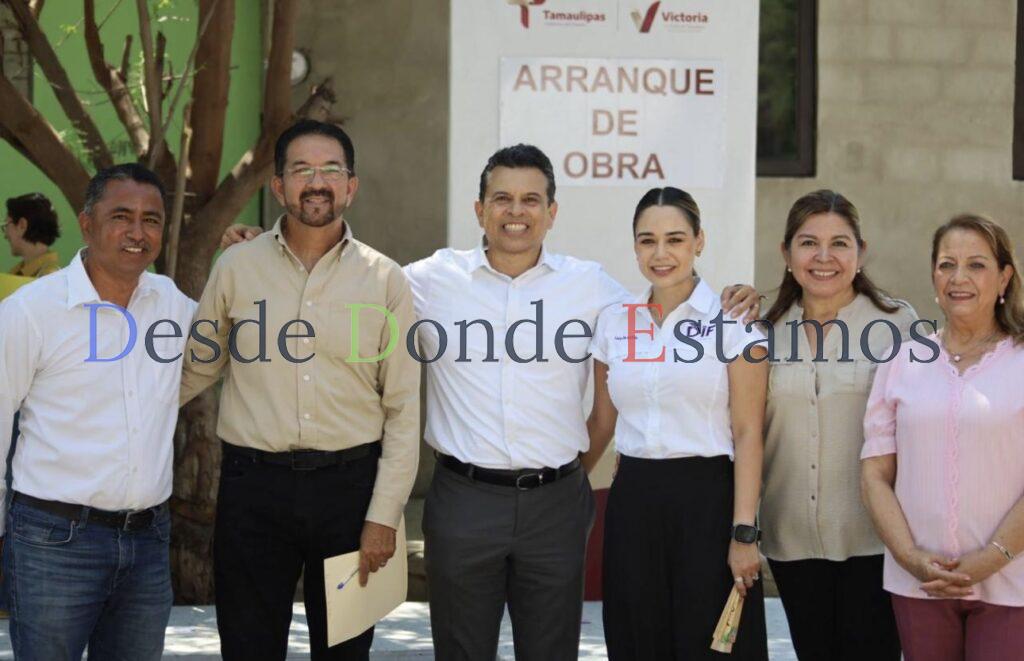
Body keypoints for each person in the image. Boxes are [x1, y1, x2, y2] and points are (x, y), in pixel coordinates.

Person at [220, 145, 760, 660]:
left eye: (530, 200)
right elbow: (347, 285)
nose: (515, 212)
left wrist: (734, 296)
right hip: (464, 501)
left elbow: (664, 302)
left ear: (551, 212)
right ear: (480, 210)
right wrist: (263, 251)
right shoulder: (429, 280)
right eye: (502, 199)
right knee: (461, 651)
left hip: (555, 506)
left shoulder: (593, 288)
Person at [180, 119, 420, 661]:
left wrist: (384, 514)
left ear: (351, 186)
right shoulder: (236, 267)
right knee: (248, 649)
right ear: (279, 186)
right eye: (301, 169)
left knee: (345, 652)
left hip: (351, 492)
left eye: (331, 169)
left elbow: (403, 407)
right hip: (253, 490)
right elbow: (196, 368)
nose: (317, 181)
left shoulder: (385, 279)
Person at [0, 164, 194, 660]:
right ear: (87, 224)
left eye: (151, 219)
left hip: (148, 542)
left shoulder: (172, 305)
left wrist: (246, 254)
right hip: (53, 543)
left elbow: (233, 334)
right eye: (121, 216)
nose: (137, 232)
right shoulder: (31, 311)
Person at [584, 187, 769, 659]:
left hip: (708, 502)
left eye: (675, 239)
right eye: (647, 240)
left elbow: (749, 433)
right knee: (637, 639)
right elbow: (602, 422)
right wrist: (560, 490)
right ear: (634, 246)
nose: (660, 253)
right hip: (633, 503)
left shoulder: (735, 323)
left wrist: (744, 533)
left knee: (707, 644)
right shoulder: (614, 323)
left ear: (699, 241)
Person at [861, 214, 1024, 660]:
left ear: (1004, 277)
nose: (959, 277)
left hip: (1012, 581)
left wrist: (988, 561)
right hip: (920, 582)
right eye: (947, 264)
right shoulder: (902, 360)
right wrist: (911, 558)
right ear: (933, 276)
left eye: (976, 265)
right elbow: (875, 474)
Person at [759, 190, 912, 660]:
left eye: (840, 243)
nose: (823, 257)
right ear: (786, 254)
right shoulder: (761, 330)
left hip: (875, 540)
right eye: (808, 243)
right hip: (790, 541)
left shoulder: (898, 325)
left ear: (860, 253)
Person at [3, 192, 61, 277]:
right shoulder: (18, 273)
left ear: (22, 225)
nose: (5, 235)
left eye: (6, 225)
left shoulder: (49, 278)